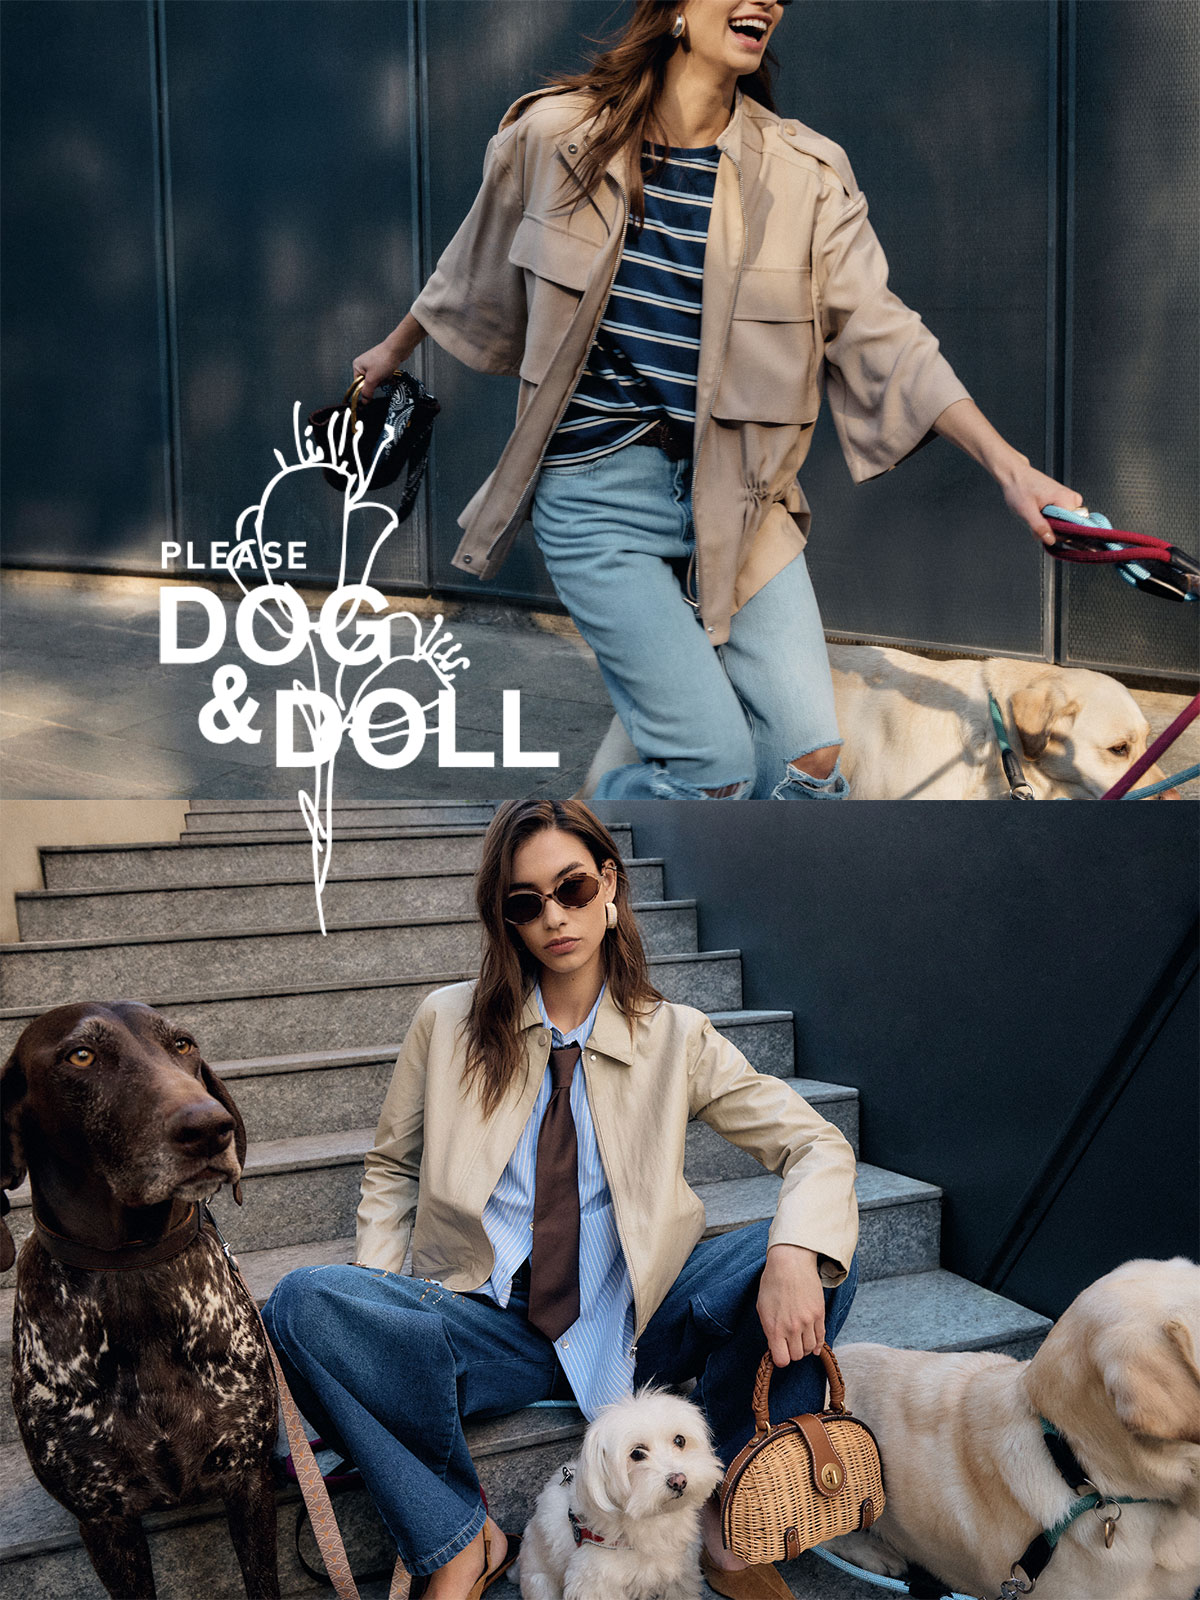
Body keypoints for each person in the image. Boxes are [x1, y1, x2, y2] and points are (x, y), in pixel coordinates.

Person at [351, 0, 1084, 802]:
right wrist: (390, 354)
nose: (766, 0)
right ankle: (590, 851)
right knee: (716, 774)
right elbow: (470, 259)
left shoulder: (805, 175)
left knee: (811, 767)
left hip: (743, 505)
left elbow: (886, 334)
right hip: (598, 502)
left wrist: (1011, 469)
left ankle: (729, 899)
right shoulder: (555, 137)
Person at [264, 798, 859, 1599]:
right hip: (490, 1322)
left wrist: (792, 1250)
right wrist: (393, 1303)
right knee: (305, 1302)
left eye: (572, 889)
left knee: (819, 1257)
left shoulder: (675, 1035)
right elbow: (391, 1171)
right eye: (526, 903)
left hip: (638, 1321)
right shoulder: (445, 1024)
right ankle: (459, 1537)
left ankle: (727, 1522)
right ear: (506, 921)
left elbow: (815, 1142)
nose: (554, 917)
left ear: (609, 885)